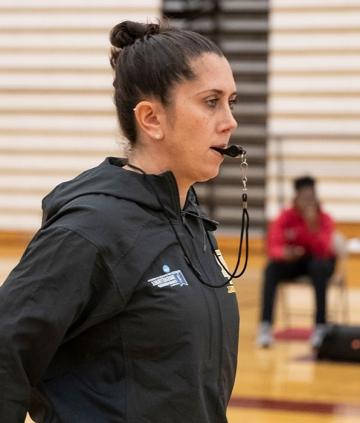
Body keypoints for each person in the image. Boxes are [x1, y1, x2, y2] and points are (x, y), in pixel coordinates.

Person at [0, 20, 240, 423]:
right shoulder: (90, 230)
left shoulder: (192, 222)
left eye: (232, 101)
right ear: (151, 118)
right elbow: (6, 348)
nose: (230, 120)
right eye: (211, 101)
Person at [257, 176, 336, 349]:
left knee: (318, 267)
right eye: (304, 197)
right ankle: (265, 326)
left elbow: (323, 250)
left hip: (319, 262)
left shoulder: (324, 218)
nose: (308, 201)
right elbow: (273, 247)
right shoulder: (285, 217)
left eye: (311, 197)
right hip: (294, 262)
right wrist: (284, 254)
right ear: (296, 198)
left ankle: (320, 326)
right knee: (271, 269)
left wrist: (312, 224)